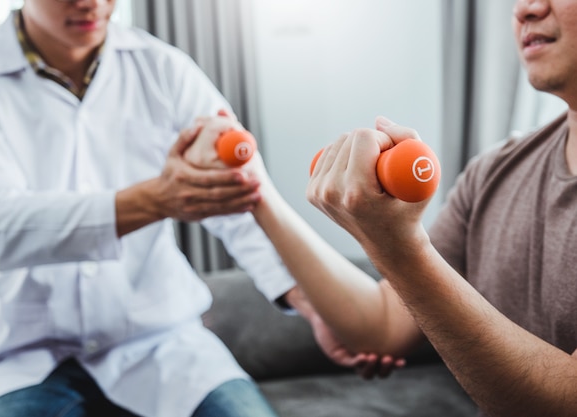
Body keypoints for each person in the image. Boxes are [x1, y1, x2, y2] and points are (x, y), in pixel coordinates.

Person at [0, 1, 389, 416]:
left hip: (163, 345)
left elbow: (242, 203)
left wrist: (314, 306)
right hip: (23, 355)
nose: (92, 3)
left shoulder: (164, 68)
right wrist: (157, 199)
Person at [234, 0, 577, 416]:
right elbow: (380, 326)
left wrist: (403, 248)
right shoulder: (493, 172)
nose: (525, 8)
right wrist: (257, 193)